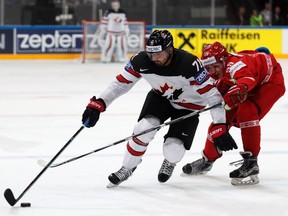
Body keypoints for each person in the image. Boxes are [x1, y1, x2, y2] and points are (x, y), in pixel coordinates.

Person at [82, 30, 236, 187]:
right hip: (161, 98)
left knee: (173, 150)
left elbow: (212, 95)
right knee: (143, 129)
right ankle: (127, 168)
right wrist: (99, 103)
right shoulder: (141, 60)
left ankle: (170, 161)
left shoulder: (189, 64)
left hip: (190, 106)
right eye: (151, 54)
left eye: (158, 54)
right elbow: (121, 83)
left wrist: (219, 124)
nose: (154, 58)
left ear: (170, 50)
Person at [182, 41, 285, 186]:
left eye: (216, 66)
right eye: (208, 68)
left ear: (224, 60)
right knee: (221, 119)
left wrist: (240, 88)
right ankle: (207, 159)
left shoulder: (235, 65)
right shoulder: (215, 72)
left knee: (247, 110)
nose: (212, 71)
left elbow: (246, 79)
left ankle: (251, 163)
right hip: (249, 74)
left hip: (270, 80)